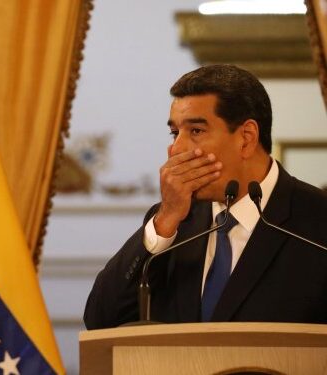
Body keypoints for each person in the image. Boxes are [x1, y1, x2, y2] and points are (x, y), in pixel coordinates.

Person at [84, 64, 327, 329]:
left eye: (196, 131)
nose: (176, 149)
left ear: (246, 138)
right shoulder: (173, 222)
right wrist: (165, 222)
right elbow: (101, 319)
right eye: (175, 133)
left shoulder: (317, 222)